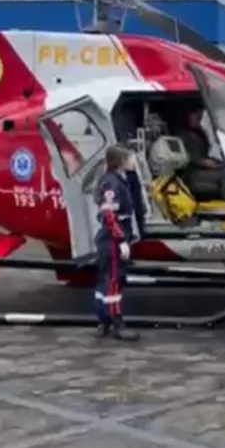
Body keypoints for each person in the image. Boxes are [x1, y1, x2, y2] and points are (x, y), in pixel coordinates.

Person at [93, 145, 142, 342]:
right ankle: (116, 322)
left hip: (111, 239)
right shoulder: (112, 184)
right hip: (112, 241)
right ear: (121, 161)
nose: (134, 161)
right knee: (113, 282)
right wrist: (121, 240)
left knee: (106, 281)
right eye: (130, 158)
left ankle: (103, 321)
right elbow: (109, 215)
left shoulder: (114, 180)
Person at [174, 106, 225, 201]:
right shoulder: (181, 135)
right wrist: (205, 163)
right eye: (194, 112)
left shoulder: (200, 134)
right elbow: (190, 157)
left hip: (204, 168)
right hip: (190, 173)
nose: (198, 115)